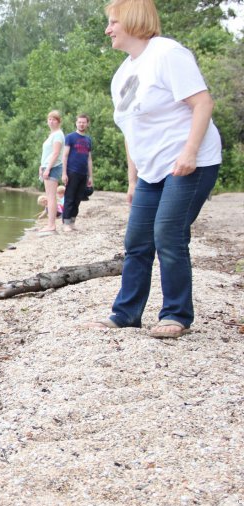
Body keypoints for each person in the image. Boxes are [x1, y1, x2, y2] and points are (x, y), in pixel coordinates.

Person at [85, 0, 222, 338]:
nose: (108, 29)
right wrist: (132, 180)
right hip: (151, 171)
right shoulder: (122, 75)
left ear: (133, 21)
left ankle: (176, 315)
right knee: (136, 241)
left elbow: (202, 103)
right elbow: (133, 132)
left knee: (168, 234)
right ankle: (126, 314)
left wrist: (189, 152)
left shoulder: (167, 54)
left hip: (191, 162)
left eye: (113, 22)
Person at [61, 114, 94, 232]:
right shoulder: (70, 137)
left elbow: (89, 159)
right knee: (69, 198)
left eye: (84, 122)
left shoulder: (88, 139)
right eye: (79, 122)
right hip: (71, 171)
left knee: (78, 199)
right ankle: (66, 223)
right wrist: (64, 173)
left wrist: (90, 176)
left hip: (83, 173)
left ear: (87, 124)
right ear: (76, 123)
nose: (81, 124)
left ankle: (73, 222)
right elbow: (64, 156)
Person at [38, 110, 65, 235]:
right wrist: (42, 166)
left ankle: (52, 225)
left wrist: (48, 168)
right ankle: (50, 224)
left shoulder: (58, 135)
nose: (51, 121)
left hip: (53, 168)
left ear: (59, 121)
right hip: (47, 167)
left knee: (51, 197)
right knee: (49, 196)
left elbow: (55, 153)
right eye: (49, 119)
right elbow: (47, 154)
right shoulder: (52, 134)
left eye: (54, 119)